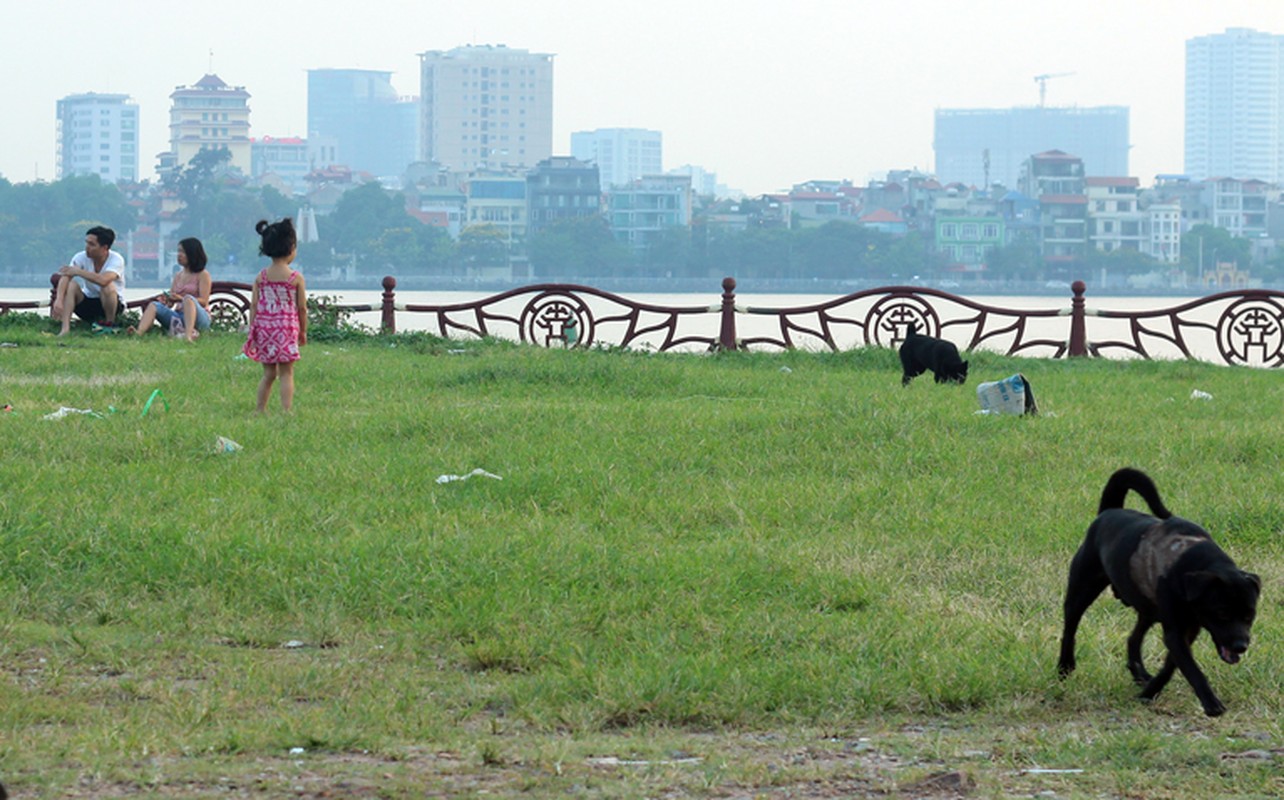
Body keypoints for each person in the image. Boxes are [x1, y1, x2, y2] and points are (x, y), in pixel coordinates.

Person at [243, 218, 307, 412]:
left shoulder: (261, 277)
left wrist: (253, 330)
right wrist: (303, 331)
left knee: (268, 373)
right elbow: (302, 308)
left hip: (264, 328)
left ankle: (259, 409)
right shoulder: (295, 278)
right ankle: (286, 410)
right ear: (291, 248)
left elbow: (253, 305)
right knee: (287, 373)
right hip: (286, 329)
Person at [130, 238, 213, 341]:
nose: (179, 255)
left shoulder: (202, 274)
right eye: (178, 251)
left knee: (188, 299)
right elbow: (171, 303)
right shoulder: (178, 276)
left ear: (192, 253)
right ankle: (138, 334)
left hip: (199, 317)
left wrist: (181, 299)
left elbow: (204, 301)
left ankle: (188, 336)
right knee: (154, 305)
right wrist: (167, 300)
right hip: (179, 315)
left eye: (183, 252)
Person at [52, 226, 126, 335]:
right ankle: (65, 329)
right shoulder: (80, 257)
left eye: (92, 245)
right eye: (87, 243)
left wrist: (78, 272)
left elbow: (103, 280)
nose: (87, 247)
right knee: (71, 285)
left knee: (108, 286)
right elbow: (66, 276)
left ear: (105, 248)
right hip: (88, 302)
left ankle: (110, 325)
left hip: (111, 304)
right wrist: (59, 300)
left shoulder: (116, 259)